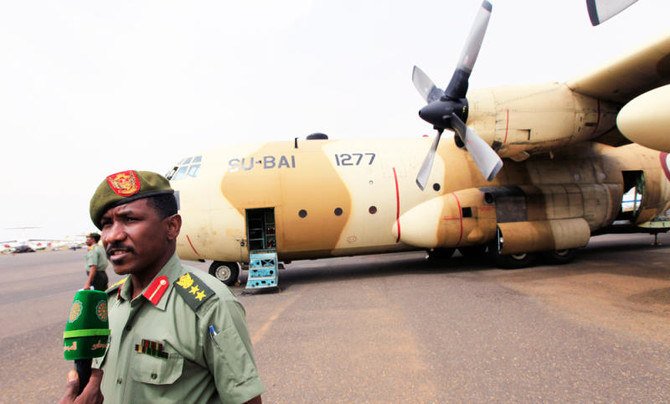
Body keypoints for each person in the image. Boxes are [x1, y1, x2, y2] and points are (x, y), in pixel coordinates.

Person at [60, 170, 264, 403]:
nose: (112, 236)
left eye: (130, 219)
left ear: (172, 227)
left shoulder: (209, 306)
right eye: (106, 224)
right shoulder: (107, 304)